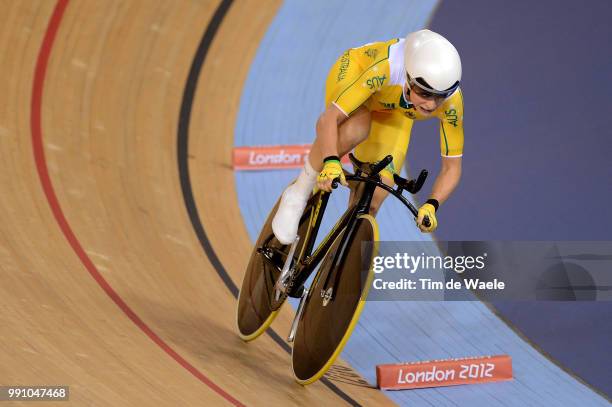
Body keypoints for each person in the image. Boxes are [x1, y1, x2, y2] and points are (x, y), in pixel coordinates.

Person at [272, 29, 464, 245]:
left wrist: (432, 204)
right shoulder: (386, 68)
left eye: (440, 97)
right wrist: (332, 161)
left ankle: (338, 261)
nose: (431, 104)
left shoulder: (451, 102)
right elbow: (327, 121)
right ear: (408, 79)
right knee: (358, 127)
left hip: (391, 110)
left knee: (375, 197)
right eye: (424, 93)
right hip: (357, 74)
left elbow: (452, 168)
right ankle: (299, 191)